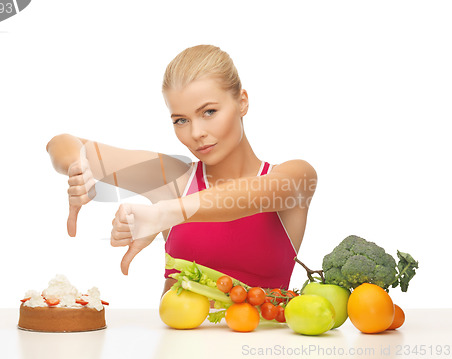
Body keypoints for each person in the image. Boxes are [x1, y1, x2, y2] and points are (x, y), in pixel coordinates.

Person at [46, 44, 317, 296]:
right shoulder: (173, 179)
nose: (196, 133)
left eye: (209, 112)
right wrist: (79, 166)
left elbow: (253, 195)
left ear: (242, 102)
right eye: (181, 120)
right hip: (175, 348)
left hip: (261, 347)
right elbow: (61, 143)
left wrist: (163, 213)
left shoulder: (296, 177)